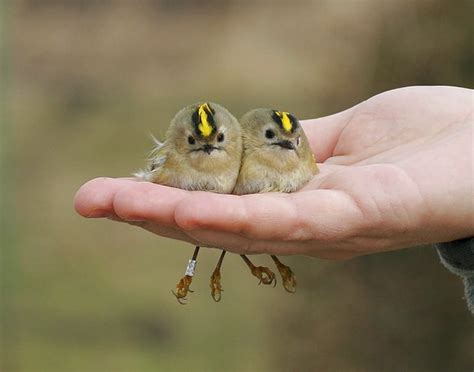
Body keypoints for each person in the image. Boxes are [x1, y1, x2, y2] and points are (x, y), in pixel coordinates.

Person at [74, 86, 473, 312]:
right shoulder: (212, 156)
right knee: (222, 220)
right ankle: (199, 273)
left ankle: (254, 266)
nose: (211, 150)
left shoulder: (263, 156)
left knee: (234, 222)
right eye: (199, 142)